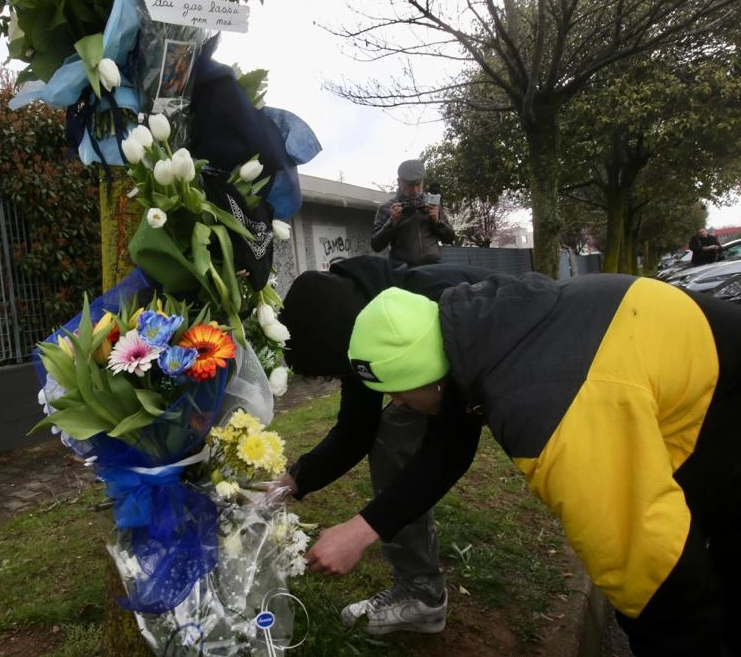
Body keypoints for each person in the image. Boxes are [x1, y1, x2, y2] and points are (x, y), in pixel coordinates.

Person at [304, 271, 740, 657]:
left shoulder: (544, 409)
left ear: (426, 375)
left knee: (669, 603)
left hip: (721, 403)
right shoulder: (486, 327)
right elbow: (446, 447)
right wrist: (362, 531)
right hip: (701, 396)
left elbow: (650, 572)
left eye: (397, 392)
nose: (397, 404)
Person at [275, 255, 492, 635]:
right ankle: (420, 588)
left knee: (397, 430)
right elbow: (357, 427)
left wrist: (362, 530)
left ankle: (421, 594)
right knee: (391, 426)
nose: (391, 397)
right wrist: (294, 480)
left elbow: (450, 448)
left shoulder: (431, 314)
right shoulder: (354, 317)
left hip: (517, 361)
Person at [370, 159, 455, 267]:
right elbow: (376, 245)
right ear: (399, 182)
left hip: (433, 268)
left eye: (418, 184)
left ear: (423, 181)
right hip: (403, 272)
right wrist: (392, 222)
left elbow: (450, 238)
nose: (415, 190)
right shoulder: (386, 208)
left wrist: (437, 222)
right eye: (410, 185)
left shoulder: (432, 203)